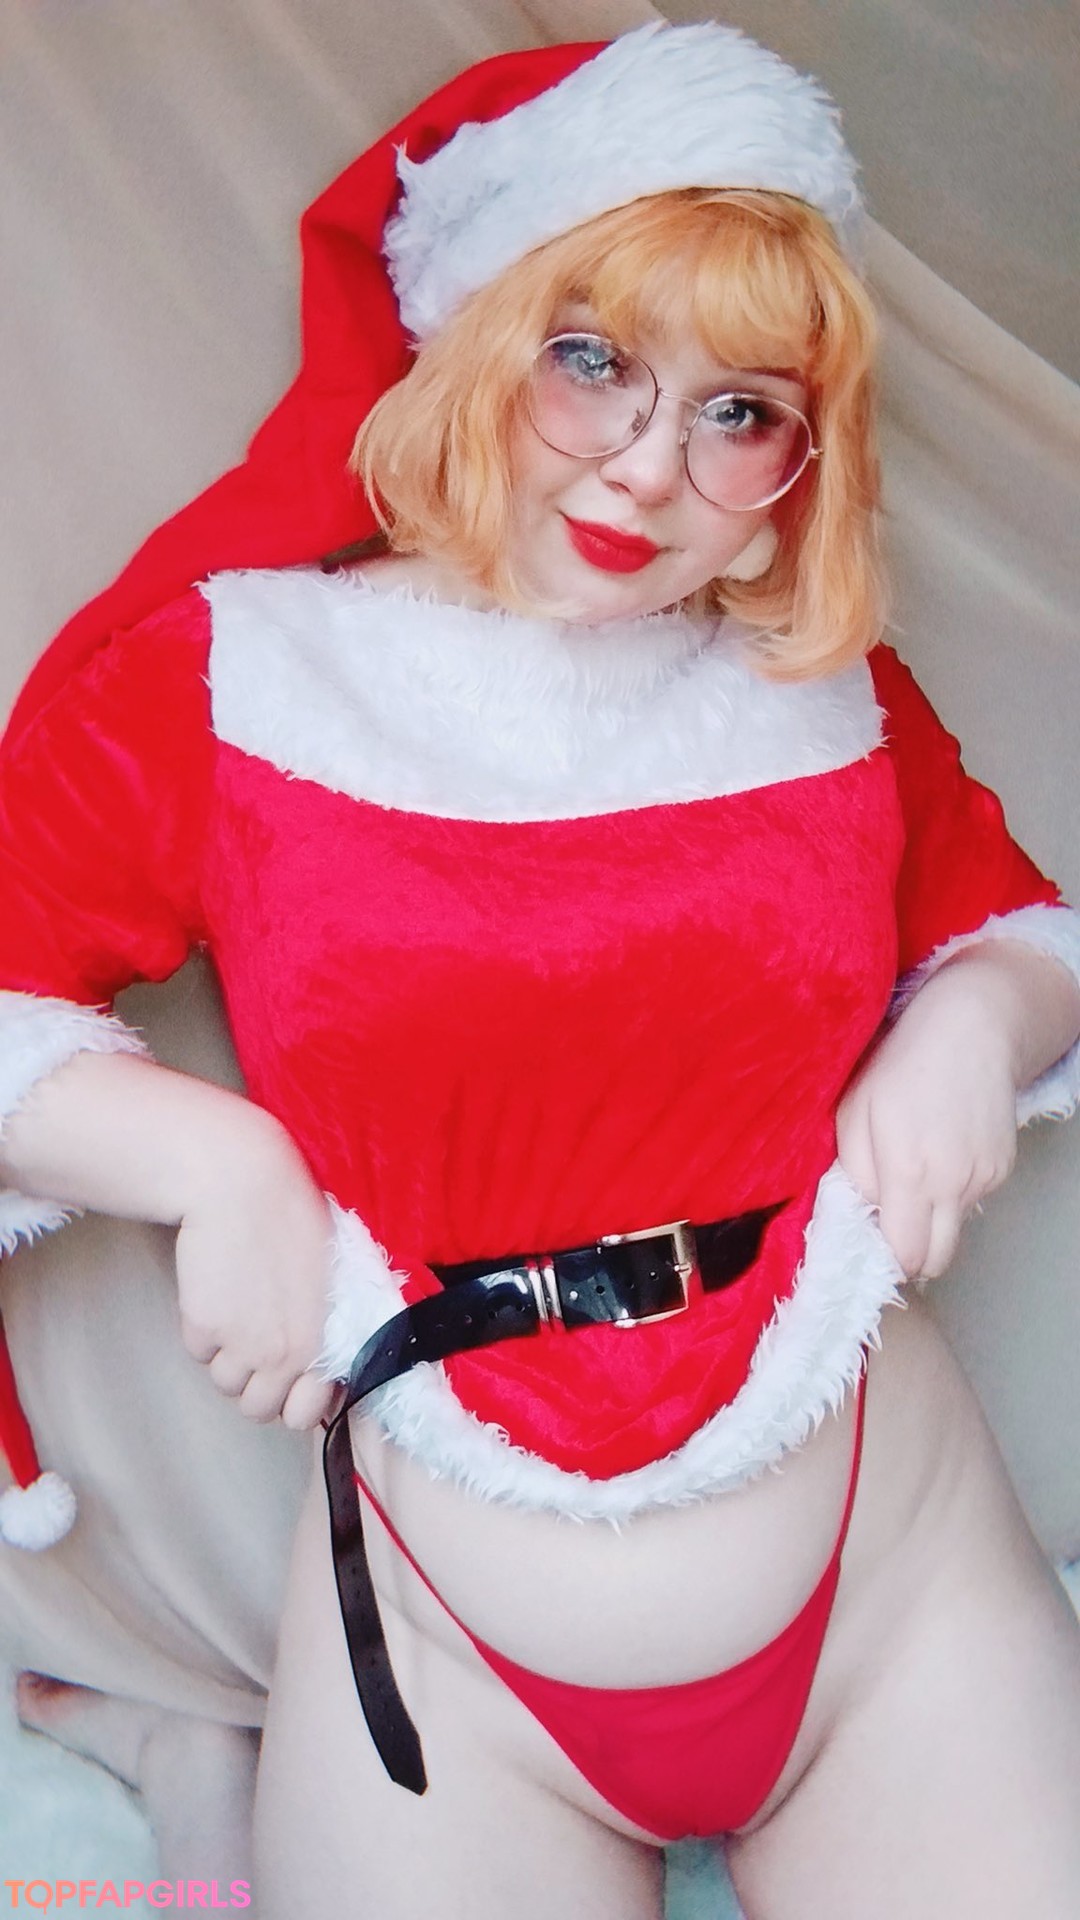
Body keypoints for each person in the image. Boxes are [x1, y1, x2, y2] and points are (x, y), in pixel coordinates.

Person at [1, 21, 1079, 1917]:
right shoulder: (238, 675)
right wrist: (212, 1162)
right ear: (479, 337)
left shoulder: (822, 691)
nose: (650, 470)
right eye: (593, 365)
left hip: (890, 1595)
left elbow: (1023, 936)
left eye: (738, 412)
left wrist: (976, 1025)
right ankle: (195, 1773)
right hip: (453, 1663)